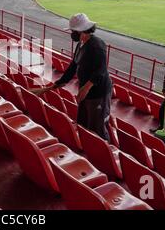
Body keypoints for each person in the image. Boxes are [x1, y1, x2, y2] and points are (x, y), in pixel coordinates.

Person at [32, 13, 113, 141]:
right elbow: (73, 66)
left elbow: (101, 70)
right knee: (83, 123)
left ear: (82, 30)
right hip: (85, 91)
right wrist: (60, 82)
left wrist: (86, 87)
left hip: (98, 93)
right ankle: (90, 148)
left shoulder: (97, 45)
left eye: (73, 31)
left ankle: (103, 152)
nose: (72, 34)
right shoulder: (80, 44)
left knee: (97, 127)